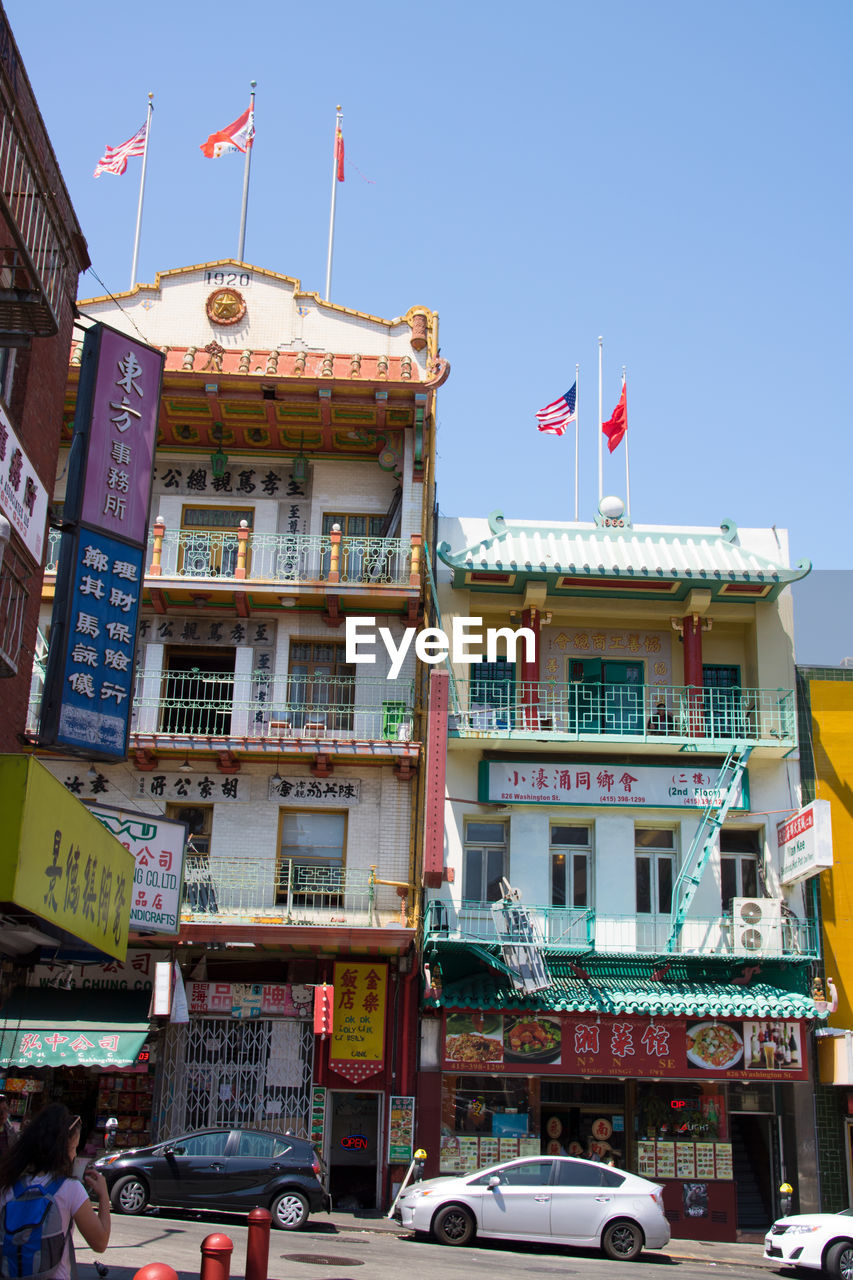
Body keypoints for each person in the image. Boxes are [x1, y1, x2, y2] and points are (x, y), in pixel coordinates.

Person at [0, 1104, 110, 1279]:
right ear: (61, 1150)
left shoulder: (8, 1185)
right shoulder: (70, 1189)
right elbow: (100, 1242)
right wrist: (104, 1196)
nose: (74, 1156)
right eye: (73, 1149)